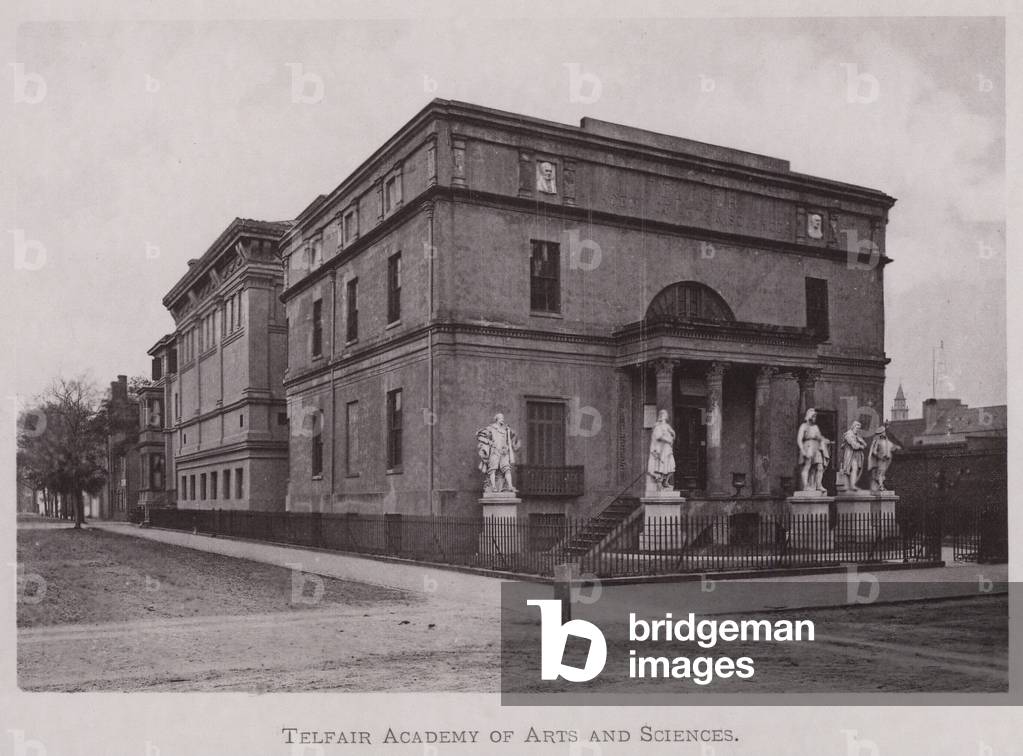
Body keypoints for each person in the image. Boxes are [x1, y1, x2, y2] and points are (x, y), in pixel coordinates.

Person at [476, 413, 521, 493]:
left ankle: (510, 486)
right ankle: (493, 487)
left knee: (507, 469)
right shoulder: (491, 428)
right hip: (494, 452)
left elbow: (510, 439)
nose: (502, 419)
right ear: (496, 419)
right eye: (501, 418)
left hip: (504, 453)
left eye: (503, 418)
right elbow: (479, 435)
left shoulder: (505, 429)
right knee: (492, 470)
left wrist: (507, 446)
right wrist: (489, 442)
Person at [796, 408, 828, 492]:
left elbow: (819, 437)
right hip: (808, 446)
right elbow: (799, 439)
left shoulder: (815, 427)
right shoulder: (803, 426)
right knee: (808, 466)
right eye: (813, 416)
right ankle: (806, 486)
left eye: (815, 416)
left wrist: (824, 440)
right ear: (809, 416)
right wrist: (802, 450)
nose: (815, 418)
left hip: (816, 447)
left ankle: (818, 485)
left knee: (819, 467)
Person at [647, 409, 676, 491]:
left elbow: (673, 434)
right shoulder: (658, 426)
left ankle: (665, 482)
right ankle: (660, 483)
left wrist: (672, 435)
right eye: (663, 415)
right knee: (662, 467)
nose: (665, 416)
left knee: (672, 467)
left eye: (666, 414)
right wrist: (668, 439)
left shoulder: (667, 426)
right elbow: (658, 437)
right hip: (662, 450)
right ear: (660, 416)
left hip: (668, 449)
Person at [868, 424, 899, 492]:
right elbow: (874, 451)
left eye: (884, 432)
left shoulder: (887, 441)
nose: (884, 433)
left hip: (888, 460)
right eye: (882, 432)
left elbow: (892, 447)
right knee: (880, 472)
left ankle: (880, 484)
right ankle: (880, 486)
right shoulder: (877, 441)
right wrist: (880, 457)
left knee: (883, 473)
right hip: (881, 460)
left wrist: (896, 447)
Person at [840, 420, 868, 491]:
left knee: (854, 469)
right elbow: (854, 445)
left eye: (859, 428)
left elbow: (865, 444)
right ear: (853, 426)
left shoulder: (857, 435)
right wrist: (860, 446)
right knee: (849, 469)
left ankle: (851, 485)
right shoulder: (848, 434)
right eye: (857, 427)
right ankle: (850, 485)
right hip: (849, 454)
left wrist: (860, 441)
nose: (858, 429)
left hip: (856, 455)